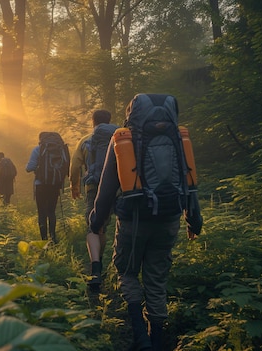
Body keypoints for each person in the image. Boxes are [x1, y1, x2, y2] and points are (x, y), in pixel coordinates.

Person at [88, 107, 203, 350]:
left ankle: (140, 336)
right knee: (157, 278)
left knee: (127, 272)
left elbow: (107, 188)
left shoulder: (122, 139)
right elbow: (190, 182)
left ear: (132, 115)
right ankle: (157, 339)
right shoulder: (178, 137)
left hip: (133, 219)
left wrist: (96, 222)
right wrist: (193, 219)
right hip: (169, 218)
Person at [69, 109, 116, 291]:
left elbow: (74, 166)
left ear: (93, 122)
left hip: (94, 187)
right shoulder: (119, 137)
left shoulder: (85, 140)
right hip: (116, 189)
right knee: (103, 225)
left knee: (93, 226)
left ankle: (95, 265)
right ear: (109, 121)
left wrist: (74, 186)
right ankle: (109, 264)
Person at [26, 133, 67, 243]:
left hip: (41, 185)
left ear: (41, 139)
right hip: (55, 185)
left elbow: (29, 168)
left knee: (42, 213)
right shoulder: (60, 149)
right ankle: (53, 238)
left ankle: (44, 241)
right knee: (51, 212)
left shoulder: (38, 150)